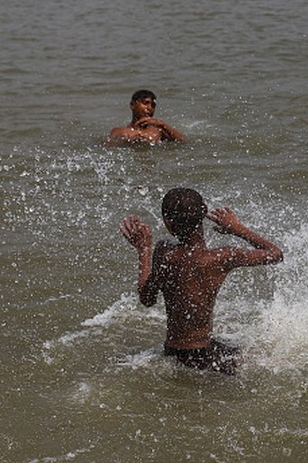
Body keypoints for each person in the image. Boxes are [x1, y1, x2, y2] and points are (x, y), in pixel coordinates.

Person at [120, 188, 283, 375]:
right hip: (204, 356)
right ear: (204, 212)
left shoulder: (164, 252)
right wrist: (237, 229)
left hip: (175, 352)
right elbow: (275, 254)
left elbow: (147, 299)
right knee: (269, 360)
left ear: (167, 223)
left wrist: (144, 250)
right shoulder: (222, 257)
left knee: (251, 355)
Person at [107, 90, 186, 145]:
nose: (149, 108)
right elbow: (108, 145)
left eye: (153, 106)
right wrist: (128, 141)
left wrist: (162, 124)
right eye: (145, 103)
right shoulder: (120, 131)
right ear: (132, 105)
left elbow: (184, 142)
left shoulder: (158, 130)